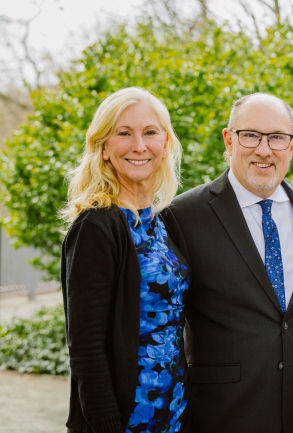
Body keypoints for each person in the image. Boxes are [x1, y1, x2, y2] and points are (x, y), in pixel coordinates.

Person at [162, 93, 293, 433]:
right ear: (229, 139)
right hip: (221, 415)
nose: (264, 150)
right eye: (251, 135)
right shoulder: (183, 216)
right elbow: (164, 326)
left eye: (277, 138)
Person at [60, 87, 189, 433]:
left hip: (172, 411)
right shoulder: (96, 226)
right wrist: (106, 424)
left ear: (164, 145)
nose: (139, 146)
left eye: (150, 133)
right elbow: (85, 346)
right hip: (124, 418)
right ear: (103, 148)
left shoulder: (163, 220)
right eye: (124, 133)